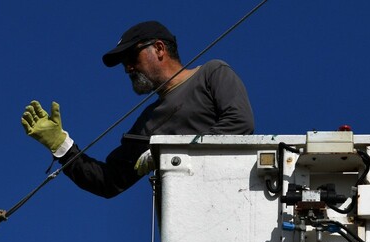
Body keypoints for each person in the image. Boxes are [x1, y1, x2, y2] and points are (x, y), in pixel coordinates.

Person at [21, 21, 254, 198]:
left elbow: (239, 123)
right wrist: (61, 145)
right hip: (185, 225)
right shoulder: (147, 122)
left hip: (233, 197)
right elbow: (109, 180)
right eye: (124, 63)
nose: (128, 68)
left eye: (132, 57)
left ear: (160, 49)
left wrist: (168, 155)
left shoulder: (212, 73)